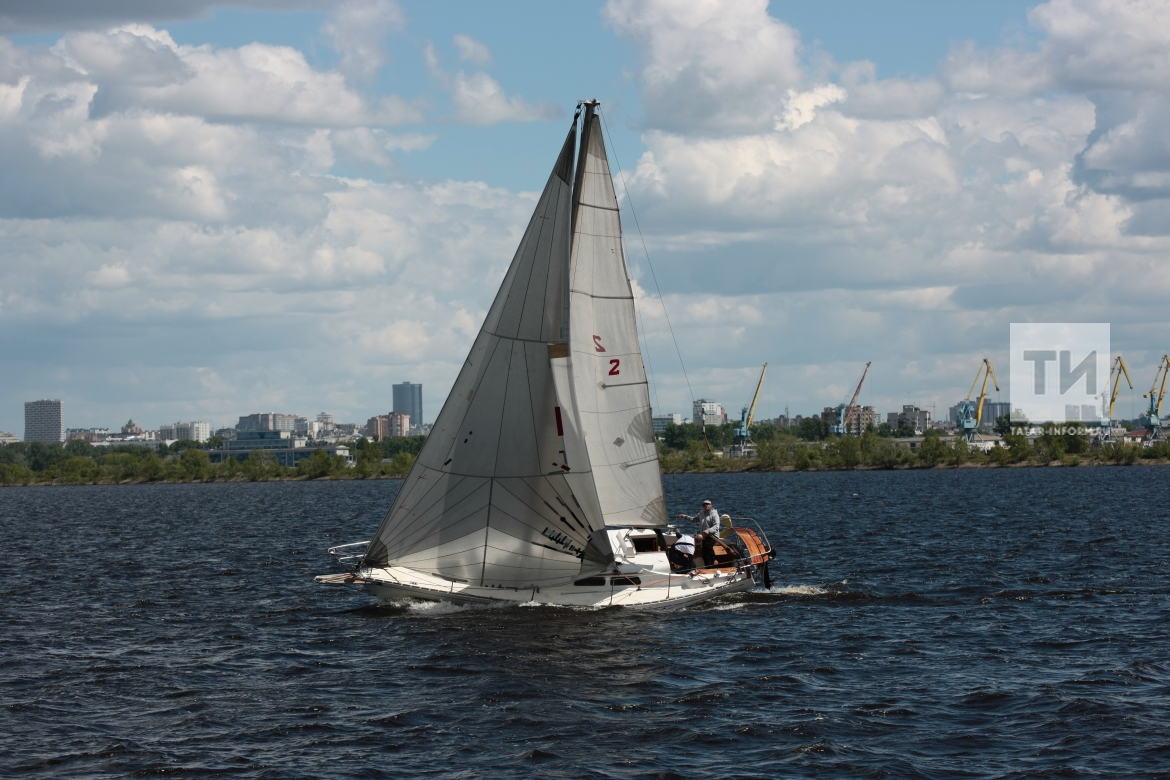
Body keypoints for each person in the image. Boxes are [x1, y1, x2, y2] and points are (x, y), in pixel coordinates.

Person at [679, 500, 719, 567]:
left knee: (707, 544)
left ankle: (714, 559)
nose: (706, 505)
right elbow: (694, 520)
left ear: (711, 505)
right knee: (704, 554)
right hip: (704, 537)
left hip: (713, 536)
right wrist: (686, 517)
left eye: (707, 504)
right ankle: (708, 568)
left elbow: (716, 526)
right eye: (704, 504)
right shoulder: (701, 513)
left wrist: (708, 531)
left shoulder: (715, 514)